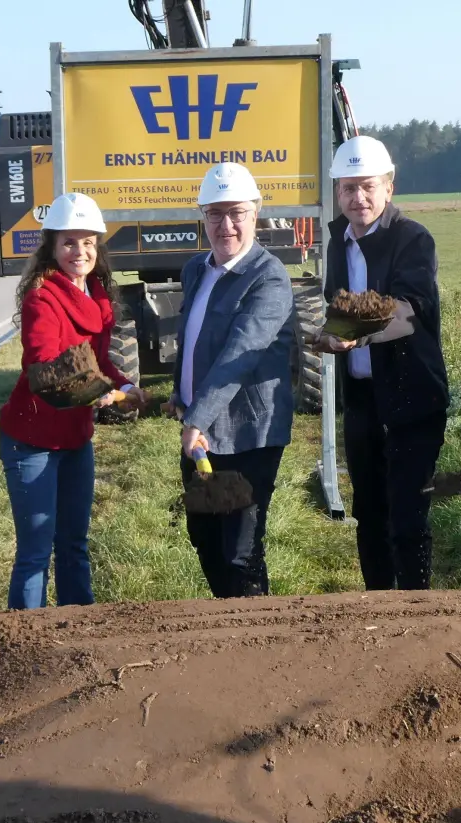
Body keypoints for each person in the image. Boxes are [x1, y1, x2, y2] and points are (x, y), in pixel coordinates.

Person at [0, 193, 146, 609]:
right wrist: (101, 394)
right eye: (68, 242)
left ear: (97, 247)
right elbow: (45, 368)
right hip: (33, 439)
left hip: (75, 438)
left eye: (87, 242)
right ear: (51, 246)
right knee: (35, 552)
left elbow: (96, 364)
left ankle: (80, 630)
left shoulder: (98, 295)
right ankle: (23, 642)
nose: (78, 252)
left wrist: (126, 385)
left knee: (74, 543)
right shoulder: (42, 297)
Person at [316, 136, 449, 591]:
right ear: (338, 192)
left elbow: (411, 308)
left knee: (408, 516)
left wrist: (353, 335)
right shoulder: (337, 242)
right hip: (362, 401)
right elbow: (339, 305)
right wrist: (329, 334)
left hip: (412, 398)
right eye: (349, 187)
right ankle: (376, 610)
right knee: (368, 513)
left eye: (368, 186)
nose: (359, 198)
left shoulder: (413, 239)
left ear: (389, 188)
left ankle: (415, 611)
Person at [171, 162, 295, 598]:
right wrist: (178, 394)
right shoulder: (196, 271)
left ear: (256, 213)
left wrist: (196, 419)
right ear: (202, 216)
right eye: (215, 214)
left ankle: (255, 641)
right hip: (202, 434)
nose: (226, 225)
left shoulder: (268, 278)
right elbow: (192, 340)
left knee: (239, 551)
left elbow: (238, 356)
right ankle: (225, 632)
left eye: (237, 213)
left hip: (247, 437)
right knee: (203, 537)